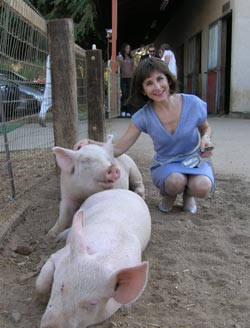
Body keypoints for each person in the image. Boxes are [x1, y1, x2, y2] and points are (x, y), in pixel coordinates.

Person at [74, 57, 215, 214]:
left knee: (202, 187)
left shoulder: (193, 103)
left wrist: (205, 138)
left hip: (194, 159)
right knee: (176, 181)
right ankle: (169, 194)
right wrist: (90, 143)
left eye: (160, 79)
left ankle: (189, 194)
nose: (157, 87)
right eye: (149, 83)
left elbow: (205, 127)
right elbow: (118, 149)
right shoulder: (143, 117)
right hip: (167, 163)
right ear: (143, 90)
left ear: (168, 80)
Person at [117, 43, 135, 117]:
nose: (128, 50)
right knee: (125, 94)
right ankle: (123, 110)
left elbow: (133, 67)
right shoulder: (120, 57)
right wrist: (120, 61)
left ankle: (128, 111)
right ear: (124, 49)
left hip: (130, 78)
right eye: (127, 48)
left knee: (130, 94)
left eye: (129, 48)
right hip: (123, 77)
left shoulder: (131, 57)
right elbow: (118, 67)